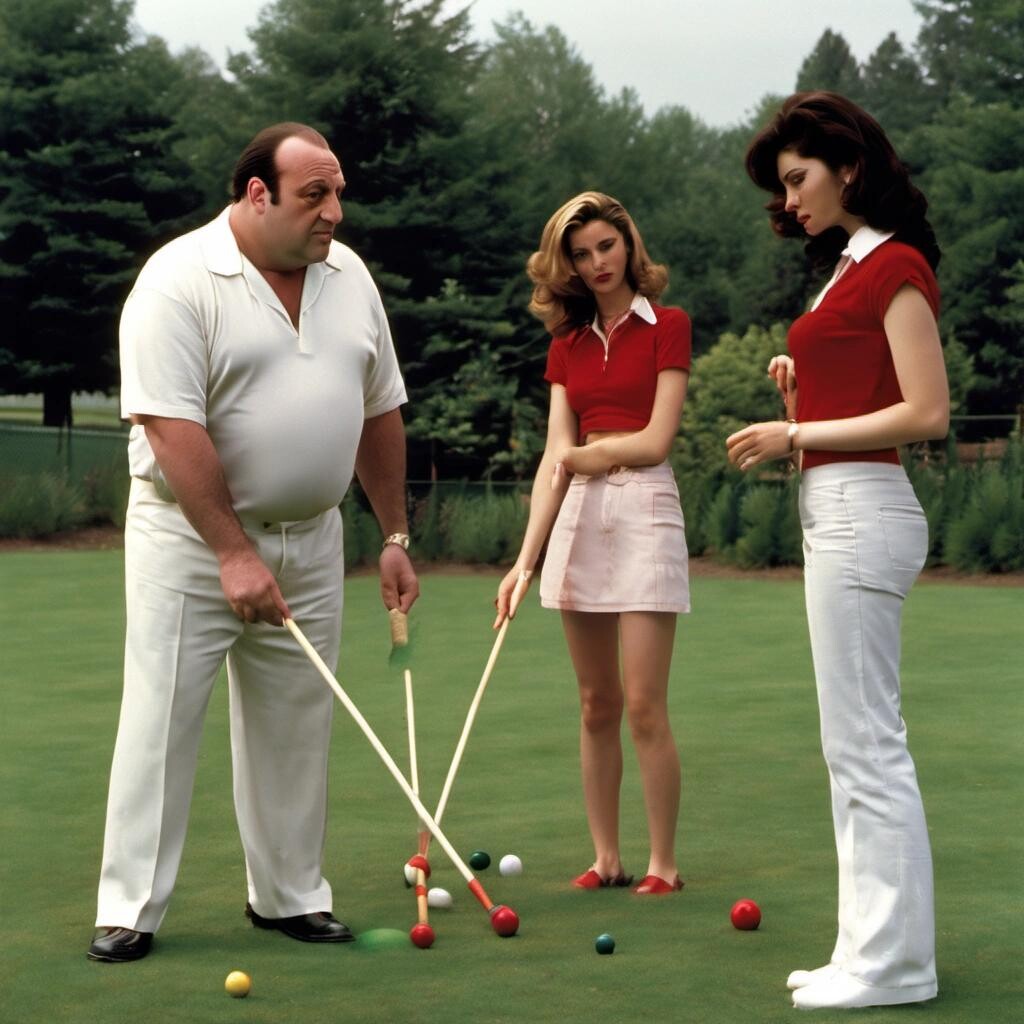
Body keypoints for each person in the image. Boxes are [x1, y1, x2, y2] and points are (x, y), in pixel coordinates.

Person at [88, 123, 419, 963]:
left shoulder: (349, 277)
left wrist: (393, 533)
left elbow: (380, 409)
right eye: (316, 194)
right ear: (257, 194)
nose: (334, 213)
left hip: (312, 542)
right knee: (162, 718)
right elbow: (170, 427)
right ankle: (130, 907)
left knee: (297, 722)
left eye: (338, 193)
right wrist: (233, 552)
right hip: (189, 542)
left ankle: (288, 896)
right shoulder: (177, 279)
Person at [731, 92, 949, 1010]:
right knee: (848, 746)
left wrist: (794, 438)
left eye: (798, 179)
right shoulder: (843, 270)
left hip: (864, 508)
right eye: (782, 186)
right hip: (839, 504)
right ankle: (864, 949)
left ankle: (897, 966)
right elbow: (852, 399)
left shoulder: (893, 264)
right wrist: (801, 401)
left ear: (848, 167)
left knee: (868, 747)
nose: (789, 201)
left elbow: (927, 412)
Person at [495, 192, 691, 895]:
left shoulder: (668, 326)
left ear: (628, 245)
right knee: (594, 702)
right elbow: (555, 456)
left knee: (643, 703)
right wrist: (522, 564)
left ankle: (663, 864)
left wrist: (588, 457)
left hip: (646, 511)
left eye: (606, 246)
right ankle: (607, 858)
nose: (597, 262)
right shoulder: (565, 346)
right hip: (579, 517)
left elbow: (657, 440)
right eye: (581, 254)